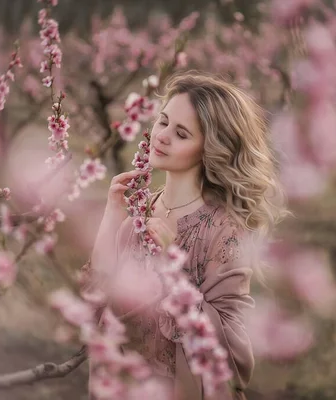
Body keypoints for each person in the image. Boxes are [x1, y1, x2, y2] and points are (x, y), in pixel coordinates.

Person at [83, 71, 288, 399]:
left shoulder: (225, 231)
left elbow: (233, 352)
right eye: (162, 122)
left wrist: (171, 266)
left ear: (209, 148)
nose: (161, 136)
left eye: (181, 133)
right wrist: (112, 213)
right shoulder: (140, 212)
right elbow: (98, 295)